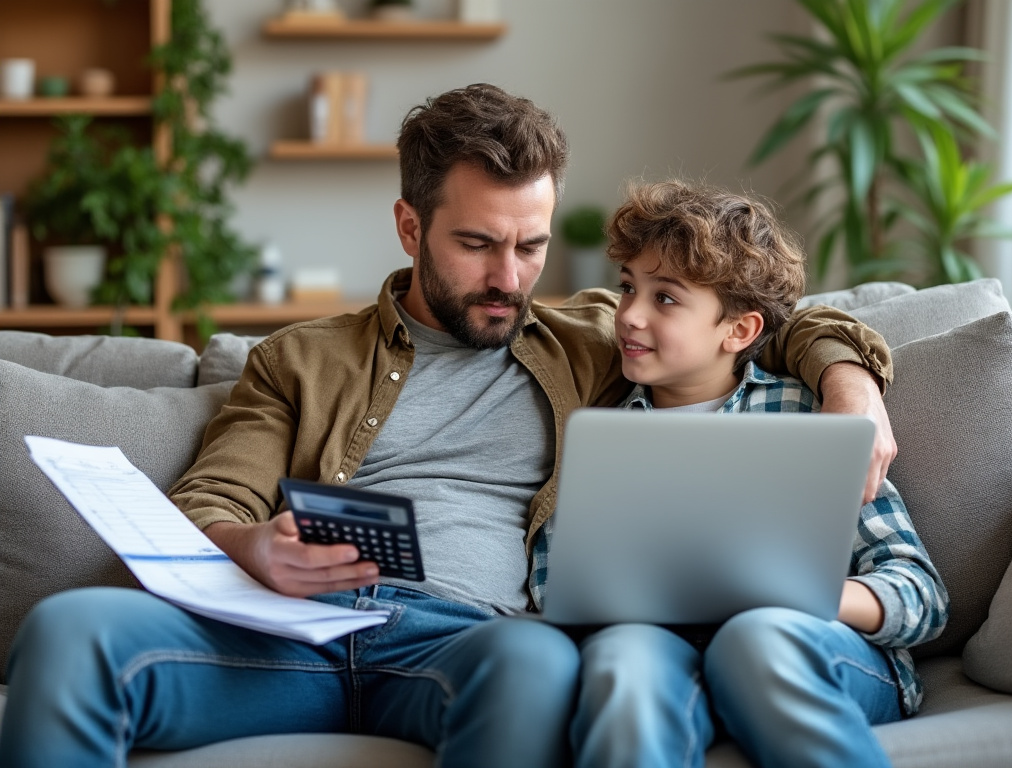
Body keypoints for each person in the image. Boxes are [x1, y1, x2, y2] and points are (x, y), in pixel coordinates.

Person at [0, 85, 896, 768]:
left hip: (467, 640)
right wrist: (250, 547)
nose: (510, 276)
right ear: (409, 226)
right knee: (71, 628)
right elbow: (210, 496)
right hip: (286, 632)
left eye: (531, 244)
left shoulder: (598, 336)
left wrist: (849, 381)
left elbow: (767, 313)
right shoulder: (297, 359)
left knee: (537, 663)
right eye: (477, 245)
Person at [567, 180, 949, 768]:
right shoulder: (604, 433)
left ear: (739, 331)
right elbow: (556, 580)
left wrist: (812, 596)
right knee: (623, 659)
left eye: (665, 298)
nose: (629, 315)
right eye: (627, 289)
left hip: (810, 650)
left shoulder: (811, 415)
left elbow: (921, 596)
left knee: (755, 638)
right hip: (666, 657)